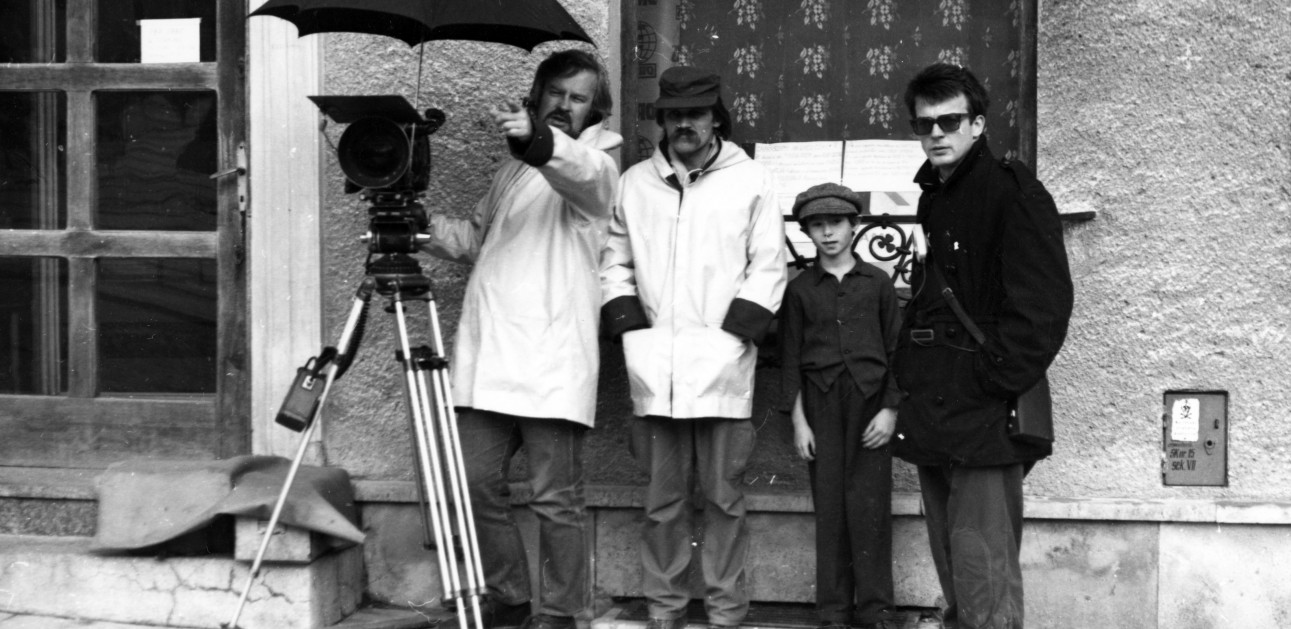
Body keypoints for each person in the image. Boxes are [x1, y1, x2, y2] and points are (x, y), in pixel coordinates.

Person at [419, 49, 620, 629]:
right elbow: (476, 238)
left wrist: (536, 141)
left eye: (578, 98)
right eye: (555, 92)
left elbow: (579, 174)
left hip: (551, 360)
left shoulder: (600, 162)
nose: (564, 105)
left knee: (556, 500)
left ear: (594, 109)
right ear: (537, 95)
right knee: (472, 485)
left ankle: (562, 613)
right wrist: (421, 226)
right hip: (490, 357)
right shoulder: (511, 169)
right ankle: (508, 597)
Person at [600, 66, 787, 629]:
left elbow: (769, 265)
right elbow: (614, 261)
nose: (685, 124)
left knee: (724, 501)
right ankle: (665, 608)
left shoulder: (751, 180)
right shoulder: (635, 183)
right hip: (655, 368)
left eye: (696, 114)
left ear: (715, 119)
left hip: (724, 368)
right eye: (674, 114)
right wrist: (633, 331)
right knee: (662, 503)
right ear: (662, 120)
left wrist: (733, 336)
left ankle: (726, 610)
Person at [891, 63, 1074, 629]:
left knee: (982, 567)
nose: (936, 133)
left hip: (983, 411)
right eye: (924, 124)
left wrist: (991, 381)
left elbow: (1043, 309)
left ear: (977, 124)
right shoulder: (935, 196)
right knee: (953, 558)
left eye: (949, 121)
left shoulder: (1012, 192)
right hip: (936, 405)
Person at [778, 183, 902, 629]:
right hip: (821, 403)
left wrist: (890, 410)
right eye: (817, 225)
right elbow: (789, 358)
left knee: (870, 507)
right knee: (830, 508)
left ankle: (876, 608)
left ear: (854, 226)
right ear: (807, 232)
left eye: (835, 223)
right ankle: (833, 611)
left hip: (870, 403)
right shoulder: (800, 290)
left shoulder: (878, 283)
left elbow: (897, 350)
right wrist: (799, 422)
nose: (827, 233)